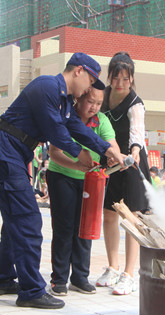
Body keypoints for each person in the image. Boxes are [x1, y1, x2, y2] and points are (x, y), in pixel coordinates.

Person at [0, 52, 125, 309]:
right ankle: (31, 291)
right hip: (5, 152)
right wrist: (80, 153)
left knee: (15, 220)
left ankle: (1, 279)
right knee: (28, 220)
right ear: (78, 71)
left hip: (13, 154)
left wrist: (106, 149)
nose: (89, 89)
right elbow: (55, 132)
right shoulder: (47, 86)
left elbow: (77, 128)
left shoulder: (64, 102)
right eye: (90, 80)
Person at [46, 87, 119, 297]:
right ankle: (58, 279)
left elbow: (110, 144)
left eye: (98, 103)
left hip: (91, 180)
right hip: (62, 176)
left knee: (86, 227)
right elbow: (55, 153)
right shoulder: (66, 117)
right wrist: (77, 166)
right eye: (90, 102)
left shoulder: (101, 120)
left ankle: (79, 277)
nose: (94, 107)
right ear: (79, 99)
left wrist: (115, 155)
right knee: (64, 228)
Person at [98, 52, 149, 295]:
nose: (120, 84)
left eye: (125, 79)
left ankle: (129, 274)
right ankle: (113, 267)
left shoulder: (135, 103)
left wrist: (135, 151)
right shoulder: (102, 96)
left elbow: (137, 132)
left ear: (132, 79)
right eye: (116, 78)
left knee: (131, 217)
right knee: (108, 215)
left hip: (131, 162)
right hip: (108, 159)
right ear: (109, 77)